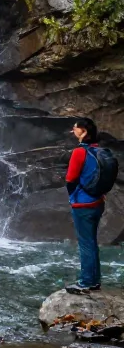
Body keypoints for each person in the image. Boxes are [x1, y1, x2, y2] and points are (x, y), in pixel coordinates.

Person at [65, 117, 104, 295]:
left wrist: (72, 197)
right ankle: (94, 280)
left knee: (86, 244)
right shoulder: (98, 150)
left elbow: (70, 178)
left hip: (83, 203)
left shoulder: (79, 152)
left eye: (75, 128)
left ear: (84, 131)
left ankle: (86, 282)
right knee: (92, 242)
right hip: (97, 202)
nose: (73, 130)